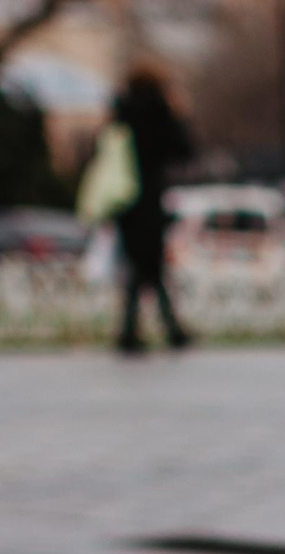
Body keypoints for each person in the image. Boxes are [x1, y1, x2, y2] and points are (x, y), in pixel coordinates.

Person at [112, 66, 196, 355]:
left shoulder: (121, 111)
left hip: (124, 199)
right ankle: (165, 329)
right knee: (150, 265)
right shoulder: (161, 111)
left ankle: (138, 329)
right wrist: (178, 113)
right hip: (150, 197)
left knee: (141, 265)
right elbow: (183, 150)